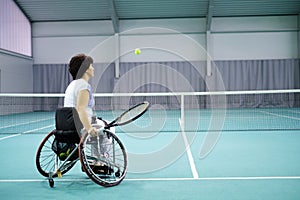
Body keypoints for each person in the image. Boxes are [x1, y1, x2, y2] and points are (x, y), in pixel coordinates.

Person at [64, 53, 99, 136]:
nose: (93, 69)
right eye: (91, 66)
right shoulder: (83, 86)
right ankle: (100, 149)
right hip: (81, 125)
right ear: (86, 69)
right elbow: (81, 109)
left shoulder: (72, 84)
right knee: (108, 128)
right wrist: (90, 129)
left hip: (68, 123)